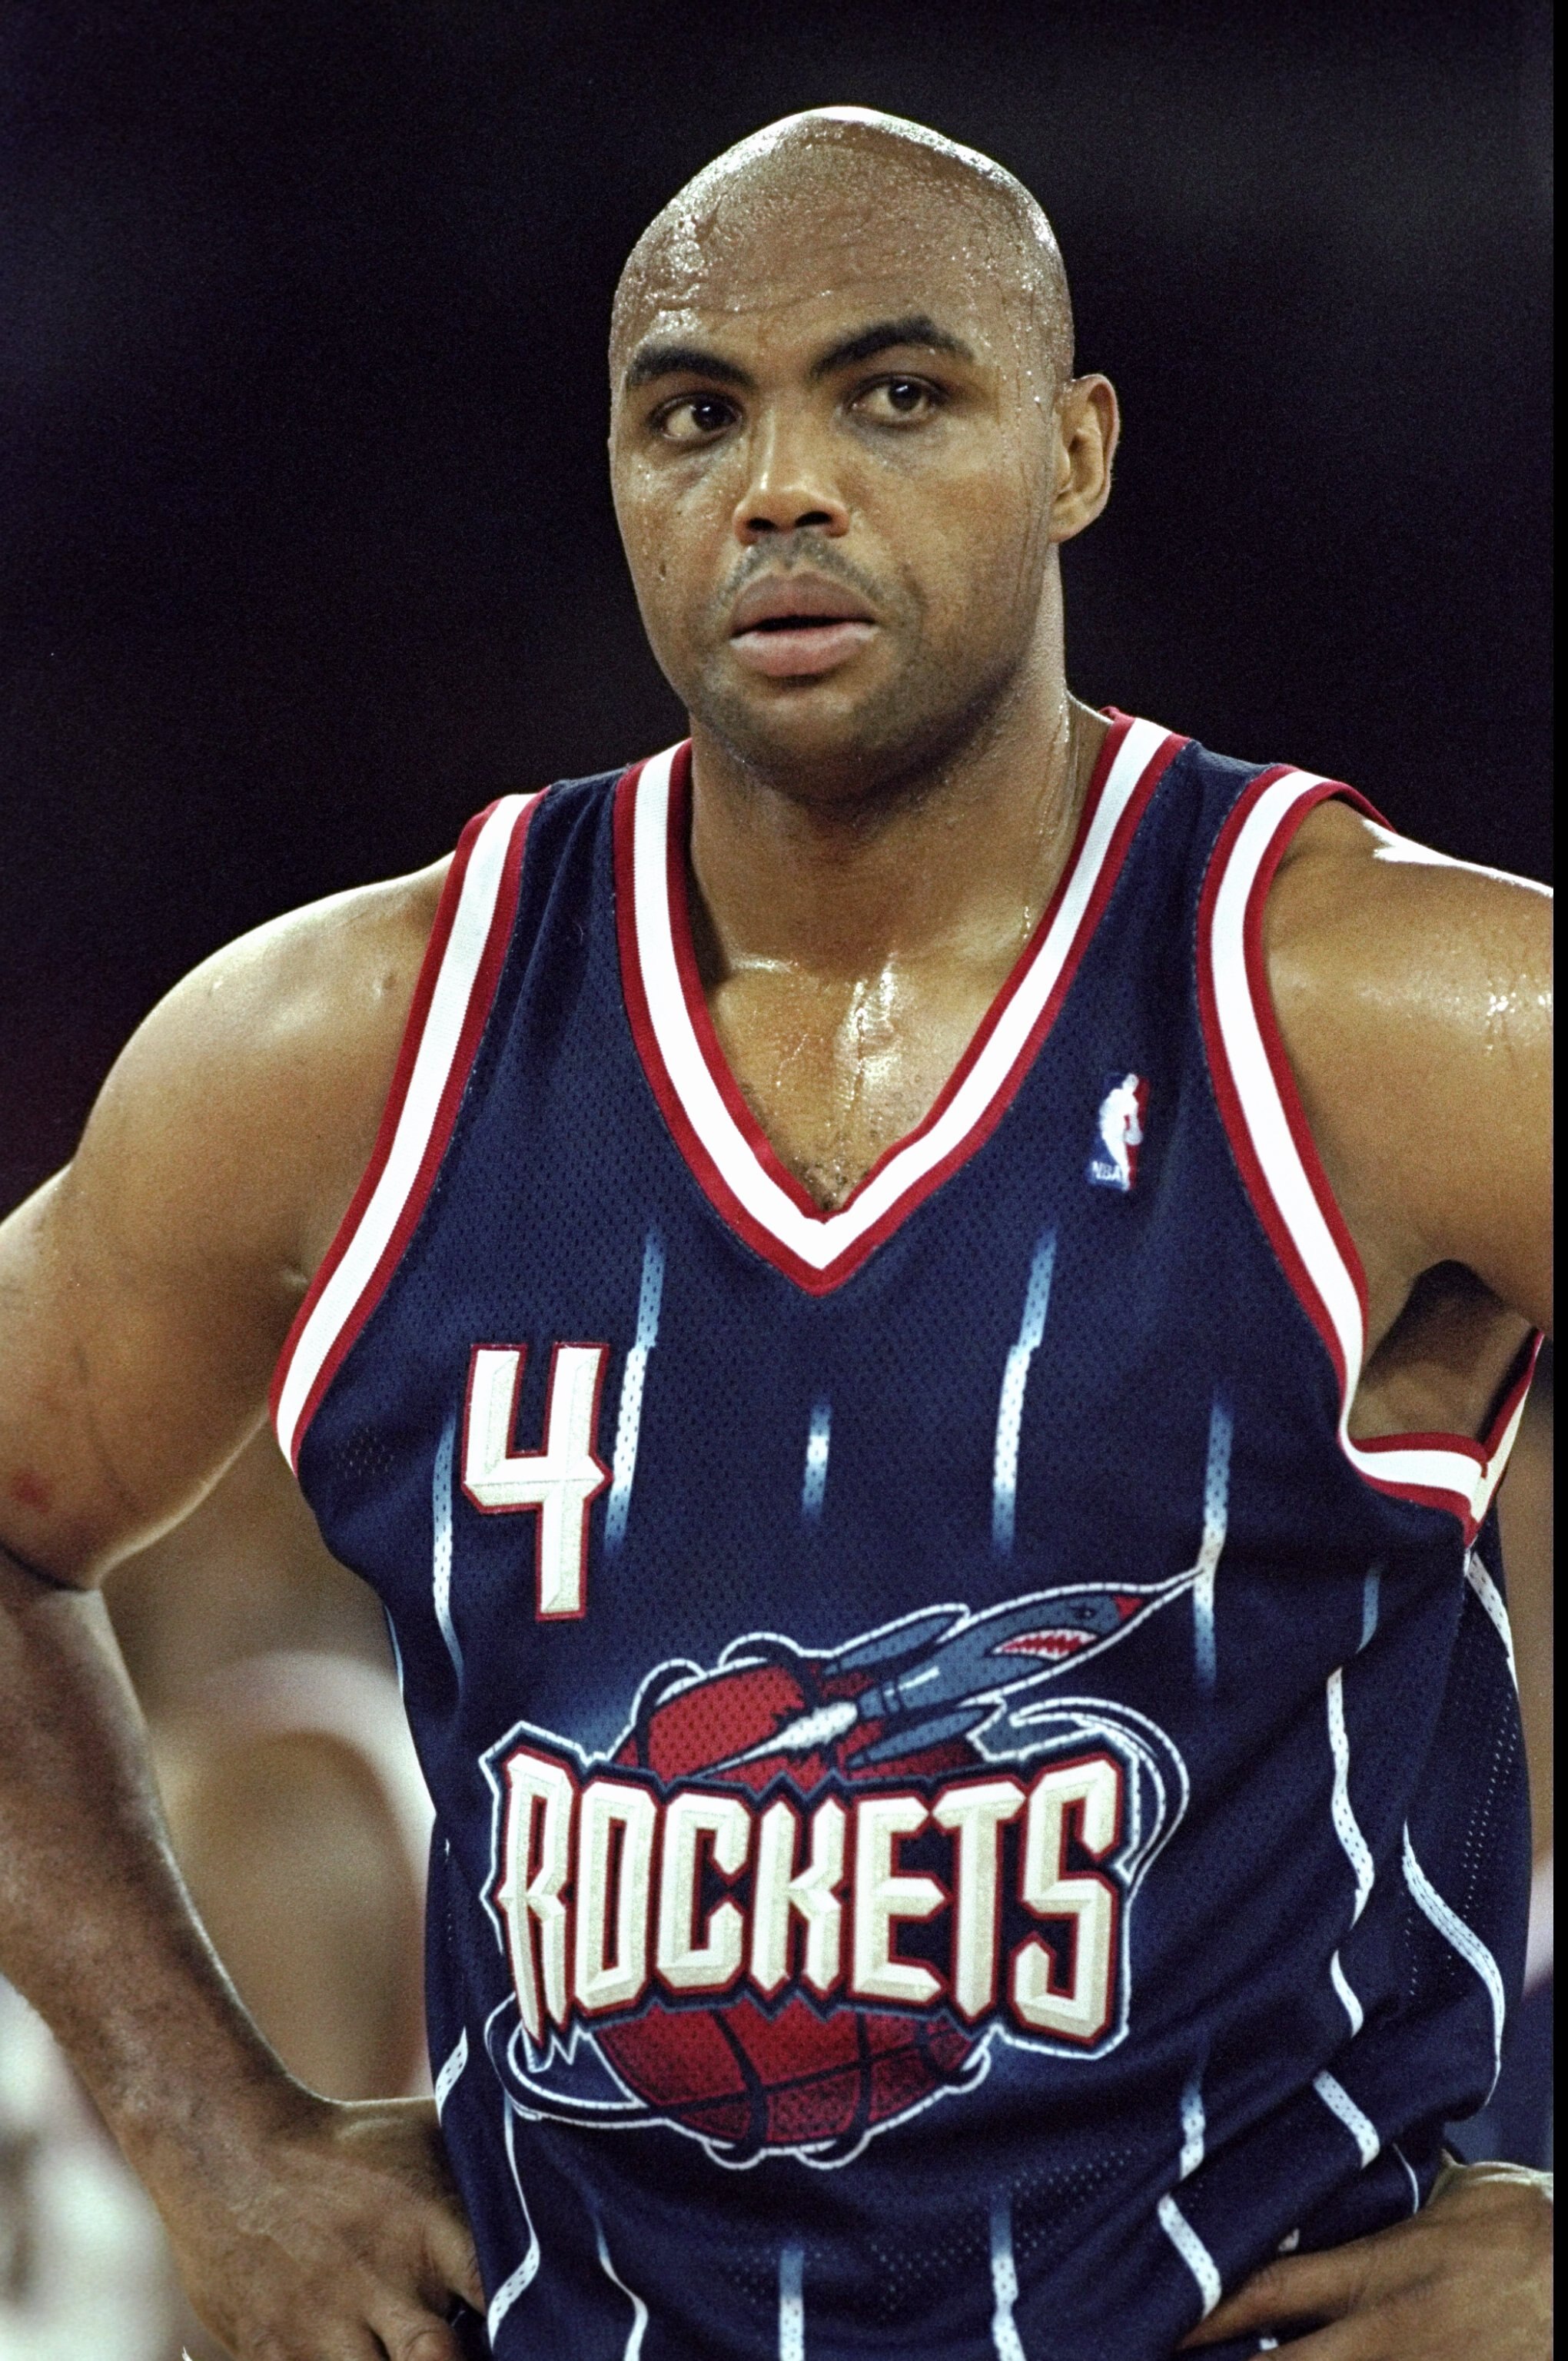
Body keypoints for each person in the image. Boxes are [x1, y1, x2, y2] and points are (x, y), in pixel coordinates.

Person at [0, 106, 1551, 2361]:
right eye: (696, 414)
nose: (783, 485)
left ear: (1077, 451)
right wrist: (204, 2132)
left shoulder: (1391, 1008)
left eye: (896, 394)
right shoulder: (343, 1047)